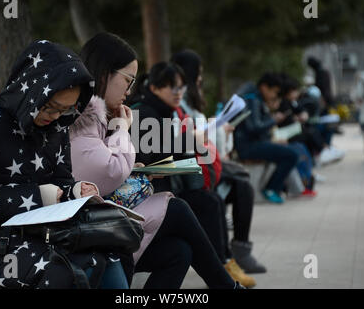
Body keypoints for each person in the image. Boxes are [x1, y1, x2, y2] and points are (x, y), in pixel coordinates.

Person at [0, 40, 129, 289]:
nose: (54, 117)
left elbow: (62, 180)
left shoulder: (57, 126)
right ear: (31, 92)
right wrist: (37, 196)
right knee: (64, 276)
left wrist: (75, 190)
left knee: (107, 256)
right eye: (50, 107)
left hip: (40, 230)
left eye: (65, 110)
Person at [72, 32, 241, 289]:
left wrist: (135, 168)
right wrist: (121, 128)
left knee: (179, 251)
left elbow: (113, 165)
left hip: (108, 213)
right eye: (127, 80)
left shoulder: (109, 112)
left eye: (182, 87)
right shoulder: (85, 115)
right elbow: (108, 171)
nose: (129, 91)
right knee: (180, 209)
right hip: (91, 223)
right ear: (104, 74)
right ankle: (226, 286)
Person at [171, 50, 266, 283]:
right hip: (192, 169)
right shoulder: (177, 102)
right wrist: (214, 130)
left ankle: (235, 255)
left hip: (203, 163)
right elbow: (181, 139)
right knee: (222, 196)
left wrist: (215, 129)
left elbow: (195, 137)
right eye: (199, 73)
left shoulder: (186, 101)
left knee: (240, 186)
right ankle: (226, 260)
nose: (201, 78)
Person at [234, 72, 299, 204]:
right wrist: (273, 120)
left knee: (290, 151)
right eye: (274, 91)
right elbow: (254, 128)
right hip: (249, 147)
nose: (275, 95)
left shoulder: (255, 98)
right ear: (264, 87)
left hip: (252, 144)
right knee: (291, 155)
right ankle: (271, 189)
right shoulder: (252, 100)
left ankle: (278, 188)